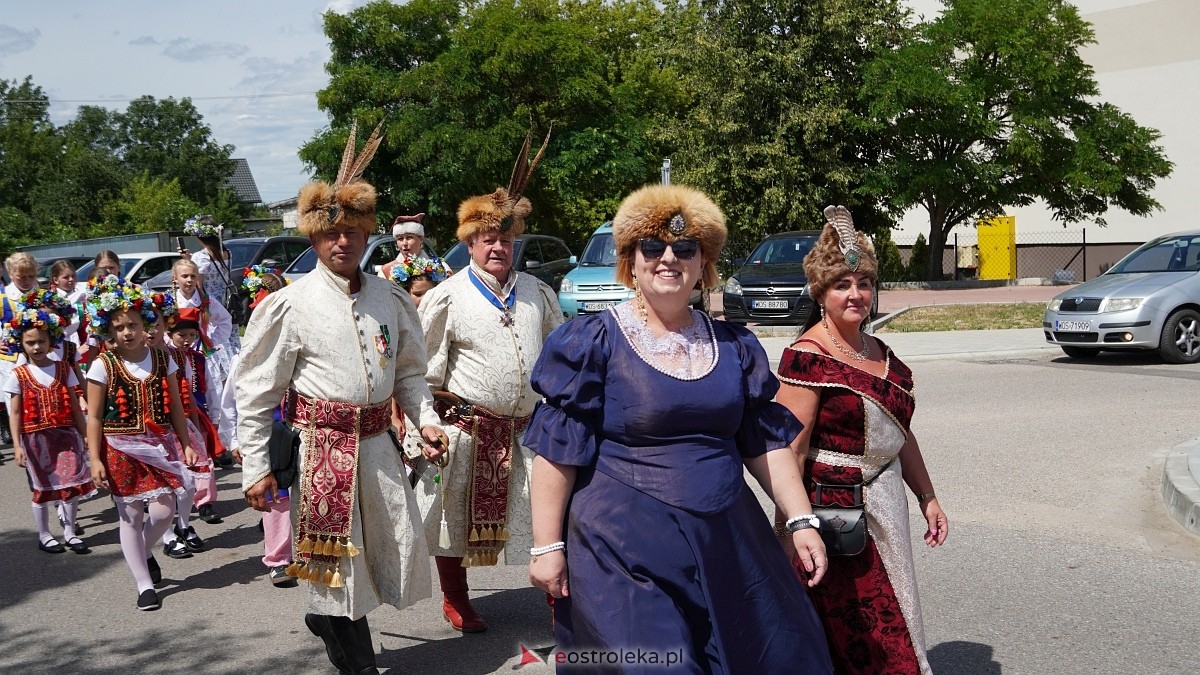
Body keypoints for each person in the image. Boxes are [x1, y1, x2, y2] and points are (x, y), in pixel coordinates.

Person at [523, 184, 833, 673]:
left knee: (773, 653)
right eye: (653, 247)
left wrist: (800, 520)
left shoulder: (734, 346)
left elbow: (765, 444)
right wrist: (547, 546)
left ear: (703, 263)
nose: (669, 258)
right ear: (630, 260)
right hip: (621, 546)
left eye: (685, 249)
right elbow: (557, 451)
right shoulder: (591, 342)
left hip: (725, 539)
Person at [236, 121, 447, 674]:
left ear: (366, 233)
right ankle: (358, 660)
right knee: (340, 564)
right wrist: (256, 465)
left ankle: (327, 620)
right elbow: (257, 391)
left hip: (379, 446)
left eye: (353, 231)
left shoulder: (391, 298)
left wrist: (425, 422)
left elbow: (410, 374)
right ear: (314, 238)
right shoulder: (290, 304)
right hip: (320, 450)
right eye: (331, 233)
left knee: (383, 552)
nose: (343, 241)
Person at [774, 206, 948, 675]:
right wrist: (791, 525)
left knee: (899, 610)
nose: (856, 294)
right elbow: (787, 449)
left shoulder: (878, 350)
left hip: (886, 499)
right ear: (821, 292)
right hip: (835, 510)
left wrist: (927, 496)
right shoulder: (807, 356)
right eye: (842, 285)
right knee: (858, 629)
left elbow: (900, 432)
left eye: (864, 283)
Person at [418, 132, 563, 633]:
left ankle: (555, 603)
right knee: (453, 521)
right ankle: (456, 598)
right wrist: (427, 426)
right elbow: (426, 371)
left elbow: (561, 359)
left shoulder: (539, 293)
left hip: (530, 430)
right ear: (470, 243)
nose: (498, 246)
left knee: (545, 519)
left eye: (506, 238)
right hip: (468, 430)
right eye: (487, 239)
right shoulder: (446, 298)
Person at [85, 275, 199, 611]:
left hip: (160, 446)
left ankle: (144, 550)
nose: (128, 332)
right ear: (109, 331)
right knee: (131, 516)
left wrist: (185, 442)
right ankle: (144, 584)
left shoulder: (163, 359)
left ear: (145, 323)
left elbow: (176, 405)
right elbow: (93, 417)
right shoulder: (102, 365)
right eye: (119, 327)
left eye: (133, 324)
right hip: (120, 447)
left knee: (165, 511)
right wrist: (94, 459)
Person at [219, 270, 297, 587]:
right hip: (271, 431)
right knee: (277, 496)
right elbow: (232, 401)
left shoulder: (298, 348)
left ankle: (312, 549)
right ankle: (278, 559)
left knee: (305, 492)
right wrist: (235, 439)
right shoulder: (247, 355)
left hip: (302, 427)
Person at [4, 305, 95, 554]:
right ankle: (44, 534)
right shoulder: (19, 374)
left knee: (70, 484)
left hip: (66, 436)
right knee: (43, 488)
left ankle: (69, 531)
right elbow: (14, 412)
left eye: (41, 341)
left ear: (51, 340)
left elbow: (76, 406)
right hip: (35, 439)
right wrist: (17, 445)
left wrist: (85, 433)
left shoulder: (63, 369)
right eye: (30, 342)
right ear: (21, 344)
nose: (37, 347)